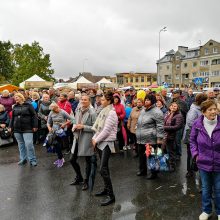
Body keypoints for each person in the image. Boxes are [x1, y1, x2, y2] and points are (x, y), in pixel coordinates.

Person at [190, 100, 220, 220]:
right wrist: (196, 154)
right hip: (203, 163)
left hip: (219, 163)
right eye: (210, 110)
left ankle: (219, 212)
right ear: (203, 112)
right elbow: (192, 141)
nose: (213, 112)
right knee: (206, 189)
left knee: (219, 189)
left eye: (215, 109)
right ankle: (206, 211)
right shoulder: (197, 124)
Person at [92, 91, 118, 206]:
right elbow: (98, 128)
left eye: (103, 100)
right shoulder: (103, 111)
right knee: (104, 168)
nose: (100, 101)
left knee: (103, 169)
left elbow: (106, 131)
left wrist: (96, 140)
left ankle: (111, 196)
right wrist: (94, 138)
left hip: (106, 143)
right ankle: (106, 189)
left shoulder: (111, 113)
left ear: (109, 101)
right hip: (100, 142)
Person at [70, 95, 97, 191]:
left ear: (89, 101)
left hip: (86, 138)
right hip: (77, 137)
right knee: (72, 159)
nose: (83, 101)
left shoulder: (93, 112)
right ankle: (79, 177)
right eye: (82, 99)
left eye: (85, 100)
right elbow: (75, 121)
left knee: (88, 161)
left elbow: (96, 127)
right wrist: (74, 126)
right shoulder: (78, 109)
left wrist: (83, 127)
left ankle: (86, 181)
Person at [136, 94, 164, 179]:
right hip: (141, 138)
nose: (146, 101)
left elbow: (160, 126)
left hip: (151, 138)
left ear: (152, 101)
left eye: (148, 100)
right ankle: (142, 170)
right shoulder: (143, 110)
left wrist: (159, 138)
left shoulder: (157, 112)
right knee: (141, 156)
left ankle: (154, 173)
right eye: (145, 100)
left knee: (152, 156)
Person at [9, 93, 38, 166]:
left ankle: (32, 160)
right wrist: (10, 126)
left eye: (17, 97)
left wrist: (35, 126)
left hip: (27, 127)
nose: (16, 98)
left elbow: (34, 115)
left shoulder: (28, 105)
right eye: (15, 97)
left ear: (21, 97)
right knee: (21, 144)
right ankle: (23, 159)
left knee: (29, 144)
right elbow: (12, 118)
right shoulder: (15, 106)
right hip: (16, 128)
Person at [184, 93, 208, 177]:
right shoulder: (194, 110)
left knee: (197, 153)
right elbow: (190, 122)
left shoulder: (200, 108)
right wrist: (203, 127)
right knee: (191, 153)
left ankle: (195, 168)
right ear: (202, 101)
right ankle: (190, 171)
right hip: (192, 134)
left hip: (199, 134)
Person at [47, 103, 75, 168]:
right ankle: (60, 158)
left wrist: (65, 124)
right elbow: (48, 122)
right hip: (54, 130)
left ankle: (61, 159)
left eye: (56, 109)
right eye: (53, 110)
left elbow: (72, 119)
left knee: (57, 144)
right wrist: (49, 128)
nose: (55, 110)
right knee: (55, 145)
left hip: (61, 131)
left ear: (57, 107)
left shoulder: (62, 112)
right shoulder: (51, 112)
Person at [163, 102, 184, 171]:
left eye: (175, 106)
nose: (173, 107)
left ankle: (172, 166)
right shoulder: (168, 113)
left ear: (178, 108)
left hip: (172, 136)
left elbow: (177, 126)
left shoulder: (179, 115)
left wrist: (164, 127)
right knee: (165, 150)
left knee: (171, 152)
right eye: (172, 106)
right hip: (165, 135)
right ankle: (167, 163)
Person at [169, 89, 188, 160]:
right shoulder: (170, 101)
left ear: (179, 94)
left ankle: (178, 154)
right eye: (173, 93)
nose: (174, 94)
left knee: (177, 140)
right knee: (171, 140)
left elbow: (186, 113)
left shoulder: (183, 102)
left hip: (179, 124)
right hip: (170, 123)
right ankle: (172, 153)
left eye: (175, 93)